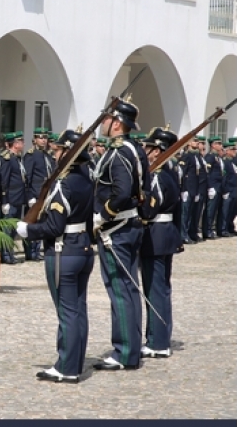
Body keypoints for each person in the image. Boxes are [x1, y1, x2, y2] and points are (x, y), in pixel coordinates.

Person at [15, 128, 94, 384]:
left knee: (67, 312)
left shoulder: (64, 183)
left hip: (63, 250)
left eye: (59, 150)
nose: (55, 153)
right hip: (82, 247)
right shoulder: (86, 177)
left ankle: (67, 368)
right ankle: (74, 361)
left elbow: (54, 226)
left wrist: (28, 230)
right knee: (78, 310)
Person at [91, 98, 148, 371]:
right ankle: (131, 349)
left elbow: (123, 192)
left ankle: (125, 352)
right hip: (130, 225)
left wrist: (103, 215)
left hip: (117, 229)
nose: (102, 123)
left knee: (121, 291)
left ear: (116, 123)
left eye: (105, 119)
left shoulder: (117, 152)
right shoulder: (134, 149)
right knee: (129, 290)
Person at [138, 126, 182, 360]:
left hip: (155, 234)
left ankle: (157, 341)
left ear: (158, 151)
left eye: (148, 147)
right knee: (162, 289)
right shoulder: (170, 173)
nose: (145, 151)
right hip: (167, 234)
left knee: (155, 290)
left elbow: (149, 209)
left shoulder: (155, 176)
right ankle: (159, 336)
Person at [24, 127, 53, 260]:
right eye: (40, 138)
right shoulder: (31, 155)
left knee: (41, 223)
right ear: (35, 139)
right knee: (31, 223)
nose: (43, 140)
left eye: (45, 138)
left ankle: (36, 250)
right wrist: (29, 195)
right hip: (35, 195)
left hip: (45, 195)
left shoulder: (48, 156)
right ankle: (30, 251)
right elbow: (27, 177)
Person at [0, 131, 28, 264]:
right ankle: (5, 254)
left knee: (13, 229)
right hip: (10, 199)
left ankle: (9, 253)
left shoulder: (17, 158)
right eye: (20, 141)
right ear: (14, 144)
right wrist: (5, 201)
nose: (22, 143)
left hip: (18, 199)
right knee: (7, 229)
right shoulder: (8, 159)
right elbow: (4, 181)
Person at [179, 136, 203, 244]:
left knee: (190, 214)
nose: (197, 143)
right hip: (187, 188)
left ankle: (187, 233)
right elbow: (183, 173)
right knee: (185, 214)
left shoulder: (195, 156)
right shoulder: (186, 156)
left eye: (197, 141)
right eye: (194, 141)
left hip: (194, 188)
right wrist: (183, 189)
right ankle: (183, 235)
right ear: (188, 143)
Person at [204, 137, 225, 239]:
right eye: (218, 143)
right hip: (213, 187)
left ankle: (210, 229)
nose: (221, 145)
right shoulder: (210, 157)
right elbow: (207, 173)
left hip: (218, 187)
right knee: (210, 211)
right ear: (213, 145)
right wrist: (210, 187)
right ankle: (207, 230)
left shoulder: (218, 157)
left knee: (214, 210)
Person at [221, 138, 237, 237]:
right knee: (225, 212)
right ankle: (223, 229)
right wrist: (225, 190)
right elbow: (224, 177)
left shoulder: (231, 162)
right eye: (233, 150)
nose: (235, 151)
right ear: (227, 151)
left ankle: (229, 227)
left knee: (231, 211)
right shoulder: (226, 162)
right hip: (228, 190)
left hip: (234, 190)